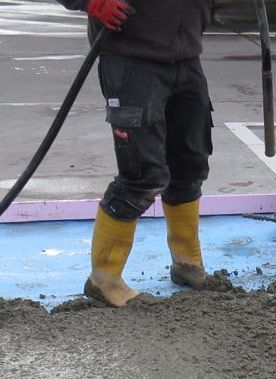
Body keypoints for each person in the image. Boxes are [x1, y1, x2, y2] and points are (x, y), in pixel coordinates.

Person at [57, 0, 215, 306]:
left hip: (186, 55)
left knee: (189, 166)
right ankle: (105, 278)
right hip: (132, 58)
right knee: (143, 175)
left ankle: (187, 262)